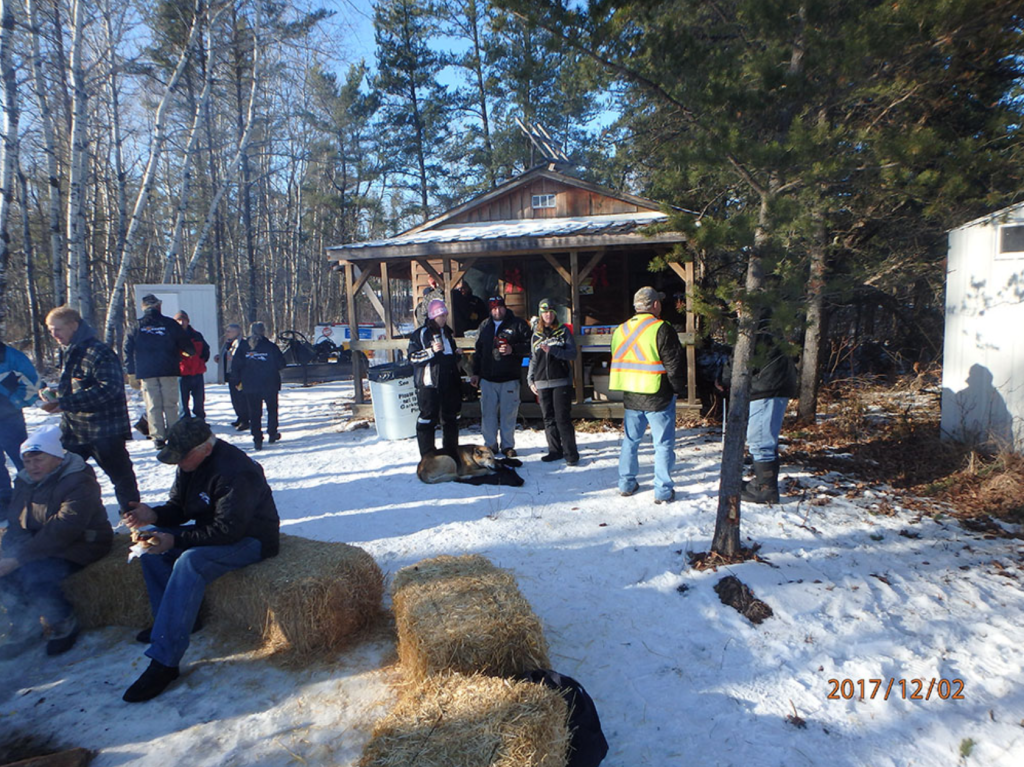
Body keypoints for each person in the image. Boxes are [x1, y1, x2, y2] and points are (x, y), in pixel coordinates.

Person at [121, 417, 280, 702]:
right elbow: (180, 508)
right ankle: (173, 621)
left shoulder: (237, 471)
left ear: (205, 448)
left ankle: (165, 661)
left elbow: (228, 531)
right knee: (150, 546)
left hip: (251, 539)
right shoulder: (190, 464)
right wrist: (153, 515)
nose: (178, 463)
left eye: (181, 457)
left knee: (190, 562)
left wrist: (176, 540)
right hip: (216, 532)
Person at [0, 425, 111, 659]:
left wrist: (18, 558)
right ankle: (24, 626)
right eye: (27, 461)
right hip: (40, 542)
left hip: (82, 543)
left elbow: (65, 528)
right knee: (6, 576)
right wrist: (7, 552)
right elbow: (16, 521)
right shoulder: (24, 481)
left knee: (36, 574)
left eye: (38, 459)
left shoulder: (79, 480)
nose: (32, 466)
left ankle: (63, 621)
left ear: (56, 457)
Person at [42, 306, 140, 513]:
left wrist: (65, 402)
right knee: (60, 475)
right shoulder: (71, 349)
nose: (54, 335)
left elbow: (109, 389)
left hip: (105, 431)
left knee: (121, 478)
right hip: (75, 429)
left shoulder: (99, 352)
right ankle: (62, 519)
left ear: (73, 326)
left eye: (57, 329)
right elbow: (80, 385)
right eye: (50, 330)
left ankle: (133, 519)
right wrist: (57, 395)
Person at [609, 287, 686, 504]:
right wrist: (678, 389)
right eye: (659, 302)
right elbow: (674, 364)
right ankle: (662, 491)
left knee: (630, 441)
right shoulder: (662, 328)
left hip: (631, 394)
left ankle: (626, 484)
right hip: (658, 394)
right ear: (655, 305)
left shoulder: (620, 330)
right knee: (662, 444)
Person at [721, 326, 798, 504]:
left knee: (760, 440)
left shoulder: (755, 324)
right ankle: (763, 484)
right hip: (772, 382)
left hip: (768, 385)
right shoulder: (770, 323)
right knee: (763, 438)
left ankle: (766, 490)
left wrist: (725, 378)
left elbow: (742, 357)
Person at [123, 294, 192, 448]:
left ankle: (158, 438)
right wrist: (190, 352)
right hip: (169, 369)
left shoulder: (136, 325)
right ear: (159, 306)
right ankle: (174, 435)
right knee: (170, 404)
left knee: (153, 405)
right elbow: (185, 343)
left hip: (146, 372)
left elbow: (127, 349)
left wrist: (131, 371)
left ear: (143, 308)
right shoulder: (170, 324)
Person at [470, 295, 531, 458]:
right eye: (494, 308)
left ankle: (507, 446)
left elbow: (530, 346)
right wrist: (475, 373)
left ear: (505, 307)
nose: (498, 311)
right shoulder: (485, 326)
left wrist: (513, 349)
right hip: (487, 379)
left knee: (509, 414)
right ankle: (490, 445)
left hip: (510, 378)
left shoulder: (518, 324)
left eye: (500, 307)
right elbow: (478, 352)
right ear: (490, 310)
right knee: (488, 415)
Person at [527, 298, 579, 465]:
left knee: (562, 418)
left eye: (550, 312)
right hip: (542, 381)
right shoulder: (536, 335)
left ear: (555, 314)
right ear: (540, 315)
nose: (548, 315)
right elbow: (533, 359)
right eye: (545, 312)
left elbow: (572, 354)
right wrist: (530, 379)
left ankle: (571, 454)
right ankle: (554, 450)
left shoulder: (563, 331)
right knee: (548, 418)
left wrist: (554, 350)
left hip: (560, 381)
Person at [409, 299, 462, 457]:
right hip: (429, 384)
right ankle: (428, 455)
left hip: (449, 383)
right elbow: (412, 358)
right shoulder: (421, 334)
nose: (444, 319)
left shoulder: (447, 333)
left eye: (445, 315)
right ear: (433, 316)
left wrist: (456, 355)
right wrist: (431, 351)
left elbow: (448, 358)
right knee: (427, 419)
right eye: (440, 316)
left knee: (450, 418)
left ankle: (451, 453)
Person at [0, 340, 40, 517]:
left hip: (9, 420)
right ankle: (3, 502)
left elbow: (34, 384)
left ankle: (33, 500)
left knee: (24, 460)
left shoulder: (12, 357)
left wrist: (11, 401)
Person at [234, 322, 285, 451]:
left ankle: (257, 439)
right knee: (272, 409)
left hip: (250, 385)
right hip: (270, 384)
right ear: (264, 331)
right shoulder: (271, 346)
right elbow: (281, 364)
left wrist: (237, 381)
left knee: (254, 412)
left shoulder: (243, 347)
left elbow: (236, 366)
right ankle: (272, 433)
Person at [175, 311, 210, 420]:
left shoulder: (197, 335)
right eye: (179, 320)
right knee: (183, 401)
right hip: (182, 373)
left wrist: (201, 361)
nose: (181, 323)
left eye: (183, 320)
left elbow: (206, 350)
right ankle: (184, 421)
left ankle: (200, 420)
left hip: (197, 372)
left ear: (188, 321)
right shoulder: (172, 336)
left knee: (199, 400)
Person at [214, 324, 249, 430]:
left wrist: (234, 359)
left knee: (241, 399)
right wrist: (221, 358)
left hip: (240, 376)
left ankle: (245, 420)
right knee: (235, 399)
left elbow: (245, 359)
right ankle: (240, 417)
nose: (227, 333)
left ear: (236, 332)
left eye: (229, 331)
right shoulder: (228, 343)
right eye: (227, 331)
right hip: (231, 375)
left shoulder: (243, 344)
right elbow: (227, 356)